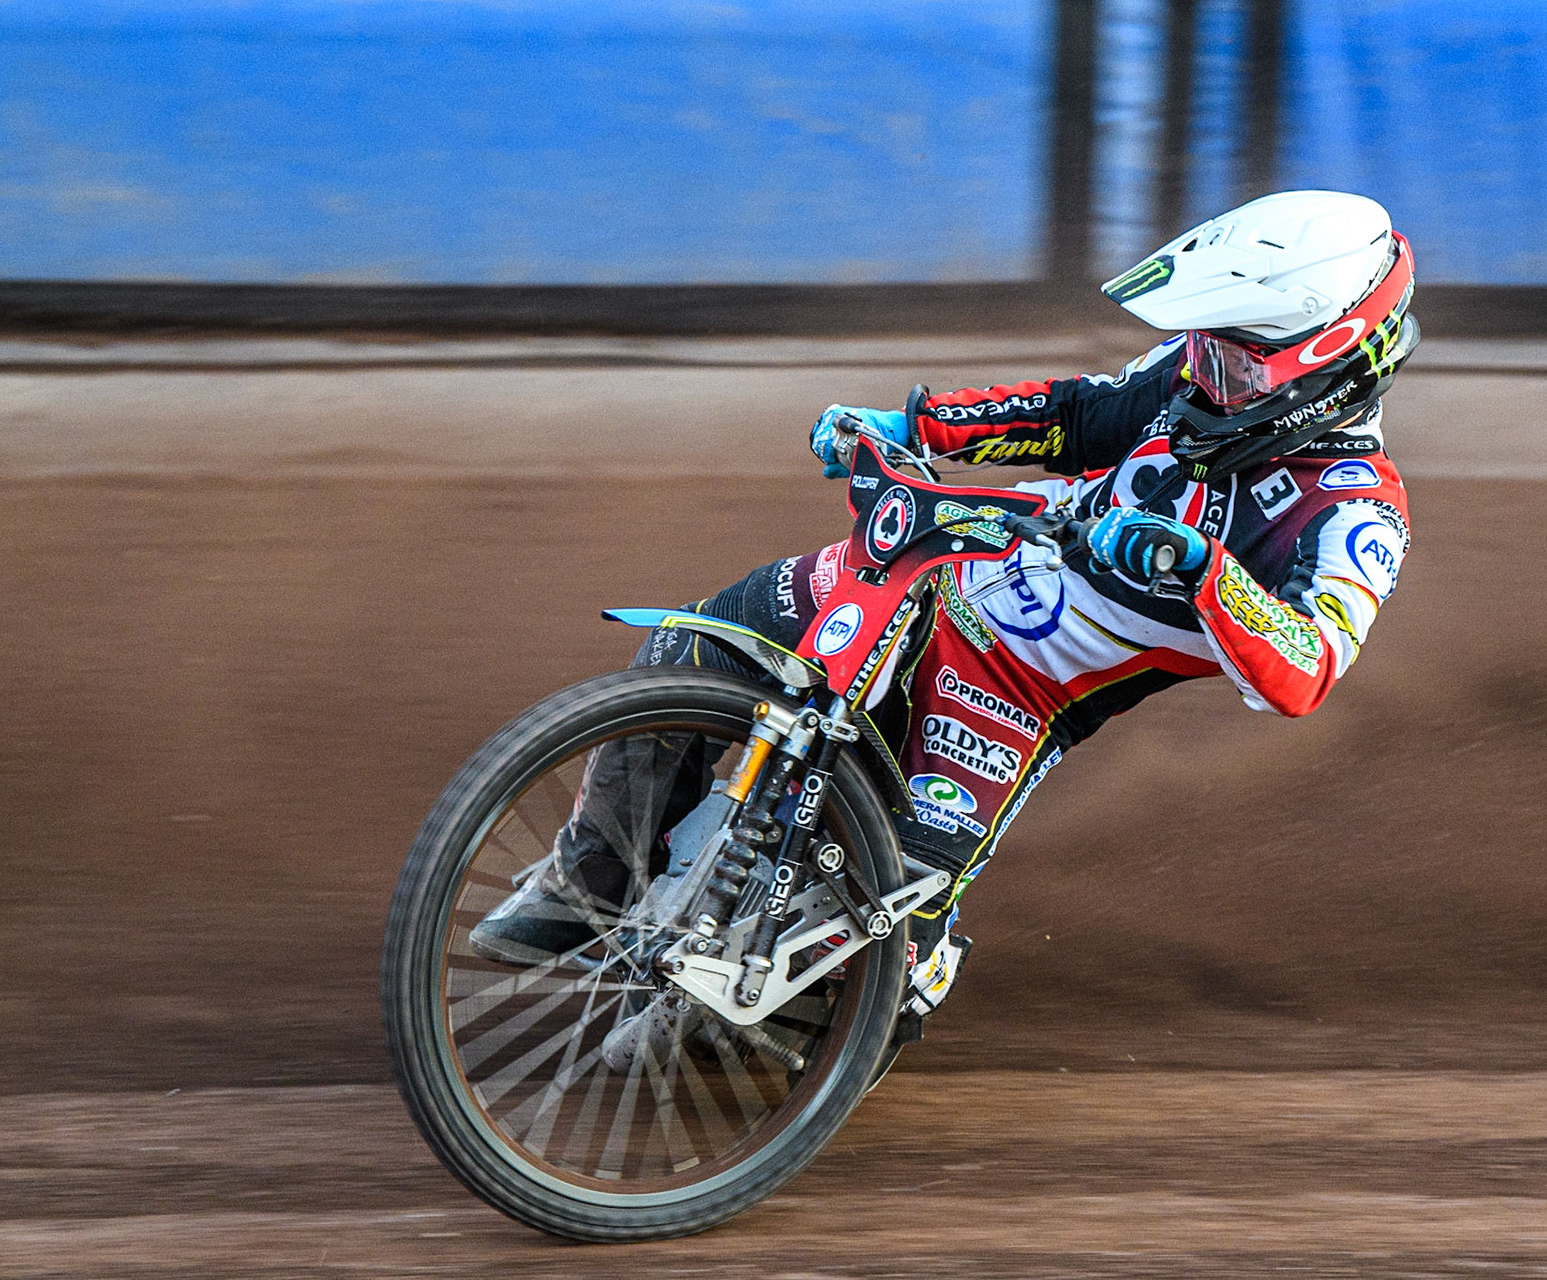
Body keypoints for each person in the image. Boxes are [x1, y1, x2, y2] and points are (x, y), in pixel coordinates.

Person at [472, 189, 1419, 1046]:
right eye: (1204, 347)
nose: (1207, 377)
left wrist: (1200, 570)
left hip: (1017, 693)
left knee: (874, 940)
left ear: (1330, 370)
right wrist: (912, 428)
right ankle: (588, 880)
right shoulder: (1204, 359)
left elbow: (1308, 668)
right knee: (698, 647)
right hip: (943, 561)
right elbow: (1078, 413)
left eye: (1238, 367)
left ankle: (871, 993)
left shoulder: (1353, 513)